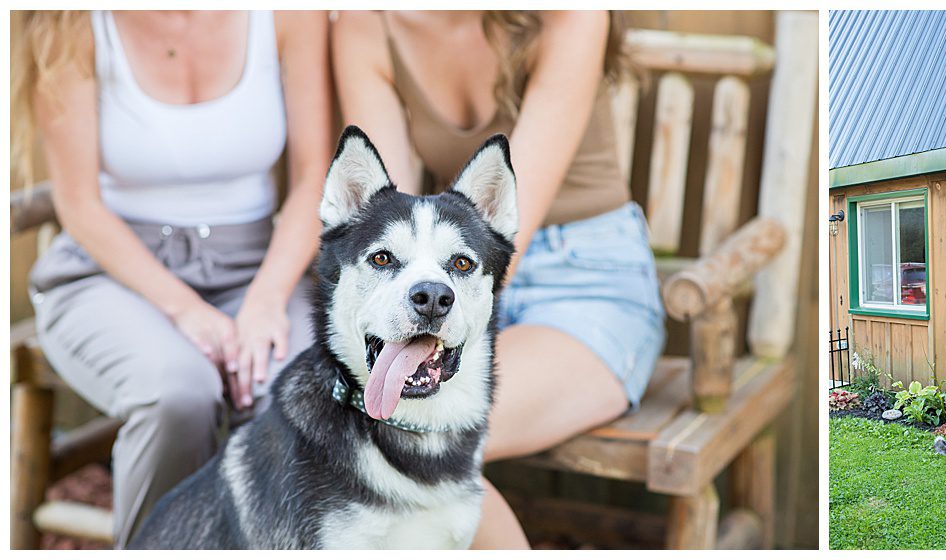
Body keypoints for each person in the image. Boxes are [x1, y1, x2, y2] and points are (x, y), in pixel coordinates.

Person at [331, 10, 666, 548]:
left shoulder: (567, 16)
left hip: (584, 289)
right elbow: (379, 219)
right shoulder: (367, 24)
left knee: (418, 436)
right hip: (447, 286)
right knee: (362, 433)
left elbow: (506, 233)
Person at [12, 10, 332, 546]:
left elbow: (313, 176)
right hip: (113, 271)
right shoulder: (67, 22)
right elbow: (79, 203)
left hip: (258, 267)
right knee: (177, 394)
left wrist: (267, 298)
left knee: (295, 389)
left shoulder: (289, 15)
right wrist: (184, 307)